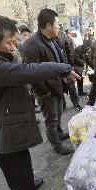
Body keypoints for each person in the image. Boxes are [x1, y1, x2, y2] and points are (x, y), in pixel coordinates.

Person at [0, 15, 77, 190]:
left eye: (14, 42)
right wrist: (63, 68)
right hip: (2, 137)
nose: (13, 47)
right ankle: (25, 188)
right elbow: (25, 71)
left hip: (8, 133)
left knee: (20, 173)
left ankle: (25, 182)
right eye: (9, 43)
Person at [22, 9, 74, 155]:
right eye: (57, 23)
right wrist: (45, 92)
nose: (59, 27)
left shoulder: (51, 40)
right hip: (47, 91)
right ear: (48, 25)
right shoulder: (31, 45)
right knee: (51, 120)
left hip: (56, 86)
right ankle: (57, 146)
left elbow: (59, 59)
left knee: (58, 114)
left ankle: (59, 133)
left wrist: (65, 74)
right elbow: (32, 74)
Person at [56, 30, 82, 111]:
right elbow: (70, 52)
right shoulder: (49, 39)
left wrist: (71, 67)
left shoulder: (63, 37)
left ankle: (72, 104)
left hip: (63, 66)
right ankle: (69, 104)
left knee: (67, 86)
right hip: (59, 66)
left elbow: (70, 52)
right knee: (62, 87)